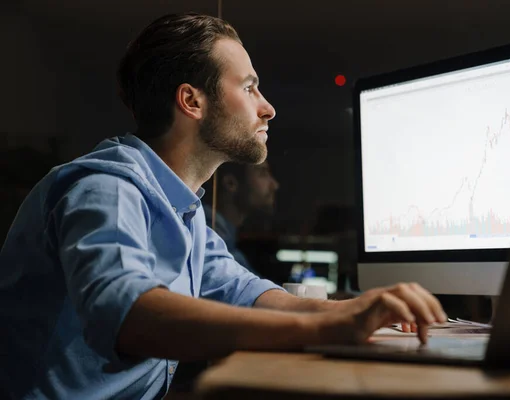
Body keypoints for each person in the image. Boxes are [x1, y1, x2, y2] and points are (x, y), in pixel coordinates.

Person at [0, 12, 446, 399]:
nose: (267, 108)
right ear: (192, 101)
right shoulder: (107, 189)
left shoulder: (186, 215)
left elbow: (252, 297)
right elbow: (127, 315)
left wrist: (359, 310)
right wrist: (327, 329)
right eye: (249, 87)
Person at [203, 160, 279, 274]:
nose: (275, 185)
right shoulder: (210, 233)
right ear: (230, 183)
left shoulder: (223, 234)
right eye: (262, 173)